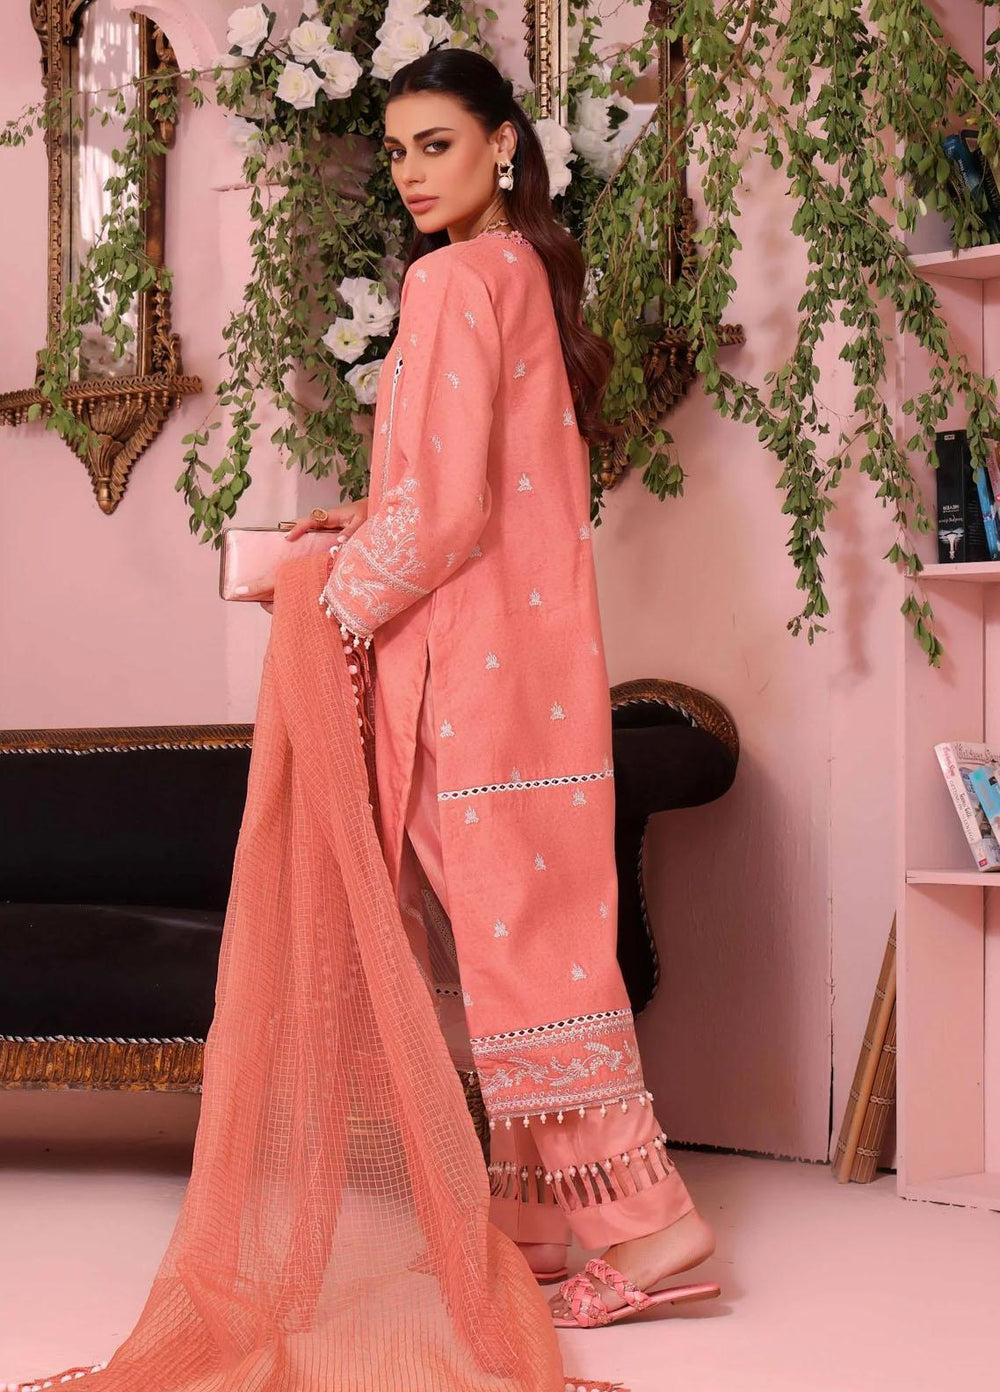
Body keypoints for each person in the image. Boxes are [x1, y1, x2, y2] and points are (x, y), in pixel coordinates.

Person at [280, 47, 719, 1329]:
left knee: (512, 939)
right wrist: (362, 517)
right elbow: (477, 482)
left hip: (465, 666)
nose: (412, 174)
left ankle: (649, 1223)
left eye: (438, 144)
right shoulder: (523, 270)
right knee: (528, 924)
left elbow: (449, 513)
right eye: (398, 151)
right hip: (537, 665)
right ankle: (535, 1217)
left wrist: (332, 605)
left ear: (504, 143)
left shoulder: (450, 278)